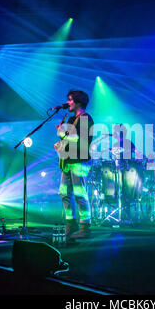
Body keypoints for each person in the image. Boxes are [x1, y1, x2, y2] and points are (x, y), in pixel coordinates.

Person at [56, 90, 94, 239]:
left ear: (78, 102)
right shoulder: (71, 120)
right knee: (64, 192)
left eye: (70, 100)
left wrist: (63, 134)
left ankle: (85, 226)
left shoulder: (86, 119)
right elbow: (69, 140)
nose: (68, 103)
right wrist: (60, 144)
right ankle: (71, 223)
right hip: (68, 160)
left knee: (79, 193)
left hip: (80, 161)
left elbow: (82, 140)